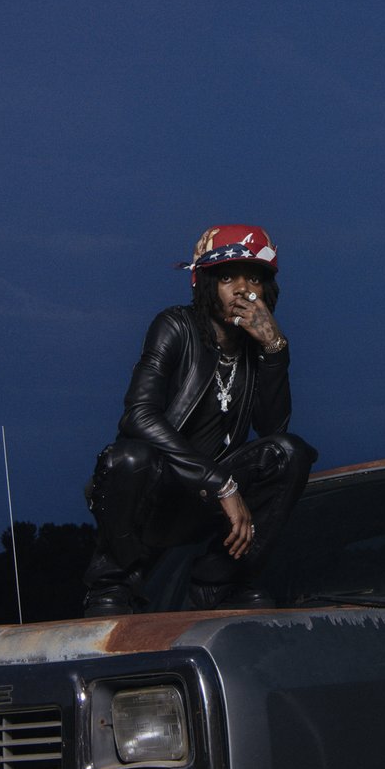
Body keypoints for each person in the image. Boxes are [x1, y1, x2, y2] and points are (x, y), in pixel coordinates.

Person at [83, 224, 316, 616]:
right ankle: (112, 585)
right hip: (160, 491)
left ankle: (217, 584)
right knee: (129, 457)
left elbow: (273, 431)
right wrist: (220, 483)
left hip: (210, 505)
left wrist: (275, 349)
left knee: (290, 453)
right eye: (227, 278)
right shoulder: (175, 326)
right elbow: (138, 415)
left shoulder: (257, 348)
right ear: (204, 284)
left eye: (254, 279)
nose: (242, 290)